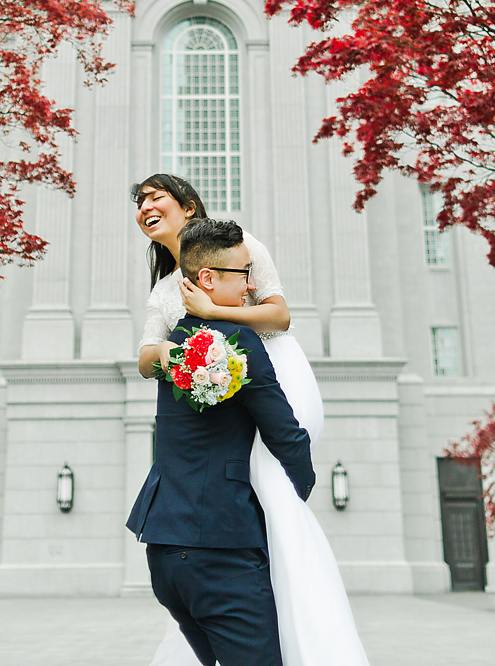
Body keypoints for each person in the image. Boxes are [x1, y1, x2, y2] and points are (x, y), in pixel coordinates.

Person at [132, 176, 371, 666]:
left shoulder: (237, 249)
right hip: (220, 531)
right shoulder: (168, 300)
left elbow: (279, 316)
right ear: (210, 278)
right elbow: (148, 356)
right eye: (140, 202)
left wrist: (213, 312)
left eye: (156, 198)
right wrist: (187, 357)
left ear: (189, 206)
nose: (145, 207)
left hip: (167, 532)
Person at [127, 218, 314, 666]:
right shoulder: (239, 340)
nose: (251, 286)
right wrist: (296, 505)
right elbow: (286, 437)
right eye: (244, 273)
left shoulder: (174, 343)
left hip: (164, 551)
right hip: (221, 550)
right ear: (207, 278)